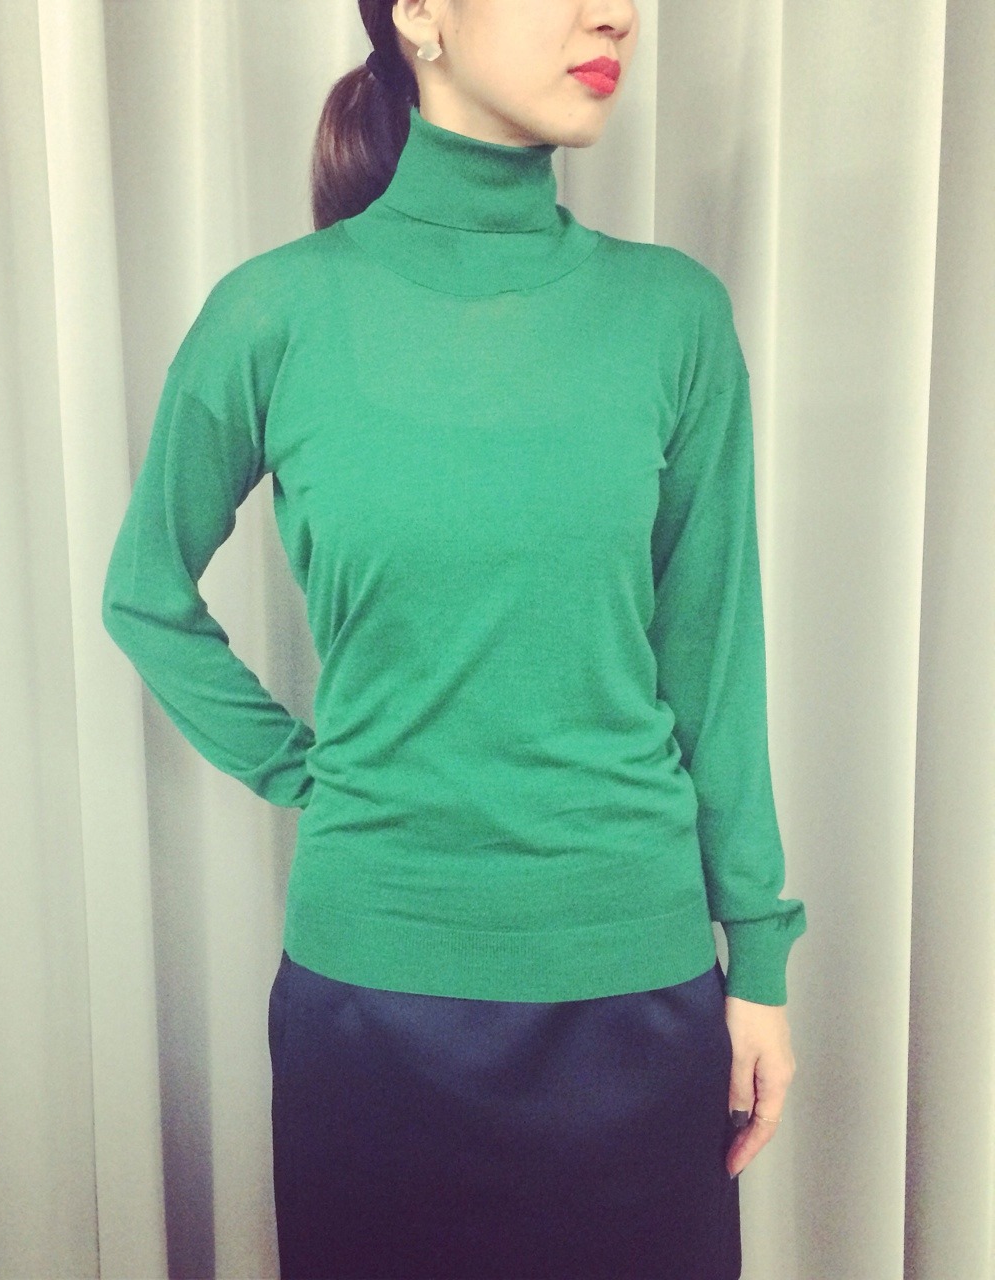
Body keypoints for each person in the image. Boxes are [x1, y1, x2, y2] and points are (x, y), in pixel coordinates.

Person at [101, 0, 808, 1274]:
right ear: (418, 13)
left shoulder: (671, 315)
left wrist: (754, 957)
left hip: (636, 998)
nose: (615, 14)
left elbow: (713, 660)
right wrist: (300, 768)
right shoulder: (274, 313)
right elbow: (143, 591)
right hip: (377, 1009)